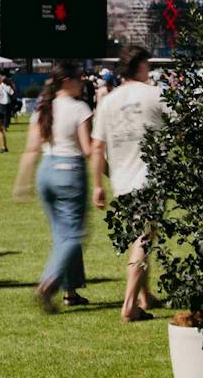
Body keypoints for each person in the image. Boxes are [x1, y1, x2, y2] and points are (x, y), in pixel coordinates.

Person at [92, 46, 165, 323]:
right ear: (140, 66)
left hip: (121, 182)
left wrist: (98, 184)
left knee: (142, 236)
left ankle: (145, 296)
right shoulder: (155, 94)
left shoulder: (108, 101)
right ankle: (130, 305)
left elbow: (97, 147)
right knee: (144, 239)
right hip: (150, 178)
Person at [14, 62, 93, 311]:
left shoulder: (43, 108)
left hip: (46, 171)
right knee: (73, 235)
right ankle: (47, 284)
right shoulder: (80, 108)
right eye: (79, 78)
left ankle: (70, 291)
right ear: (67, 81)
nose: (82, 82)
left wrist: (22, 182)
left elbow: (31, 149)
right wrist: (108, 171)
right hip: (70, 172)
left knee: (62, 234)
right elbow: (88, 149)